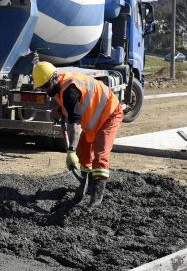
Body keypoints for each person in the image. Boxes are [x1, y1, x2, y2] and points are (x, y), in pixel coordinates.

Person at [31, 61, 123, 207]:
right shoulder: (57, 86)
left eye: (46, 86)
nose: (46, 90)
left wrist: (71, 150)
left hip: (109, 113)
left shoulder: (70, 89)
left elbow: (74, 121)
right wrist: (59, 111)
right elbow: (69, 105)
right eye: (42, 88)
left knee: (100, 155)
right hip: (91, 118)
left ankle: (96, 199)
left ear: (54, 77)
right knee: (84, 155)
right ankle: (85, 187)